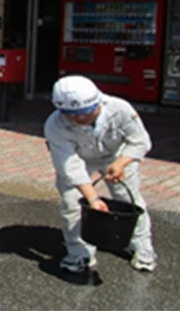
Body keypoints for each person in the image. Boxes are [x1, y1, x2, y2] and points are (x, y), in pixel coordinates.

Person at [45, 75, 156, 273]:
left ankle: (142, 247)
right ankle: (80, 252)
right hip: (80, 159)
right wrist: (93, 199)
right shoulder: (55, 125)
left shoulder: (120, 109)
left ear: (98, 101)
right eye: (72, 115)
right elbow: (70, 166)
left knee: (129, 201)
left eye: (86, 112)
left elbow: (140, 141)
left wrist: (122, 163)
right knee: (72, 203)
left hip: (117, 155)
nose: (80, 119)